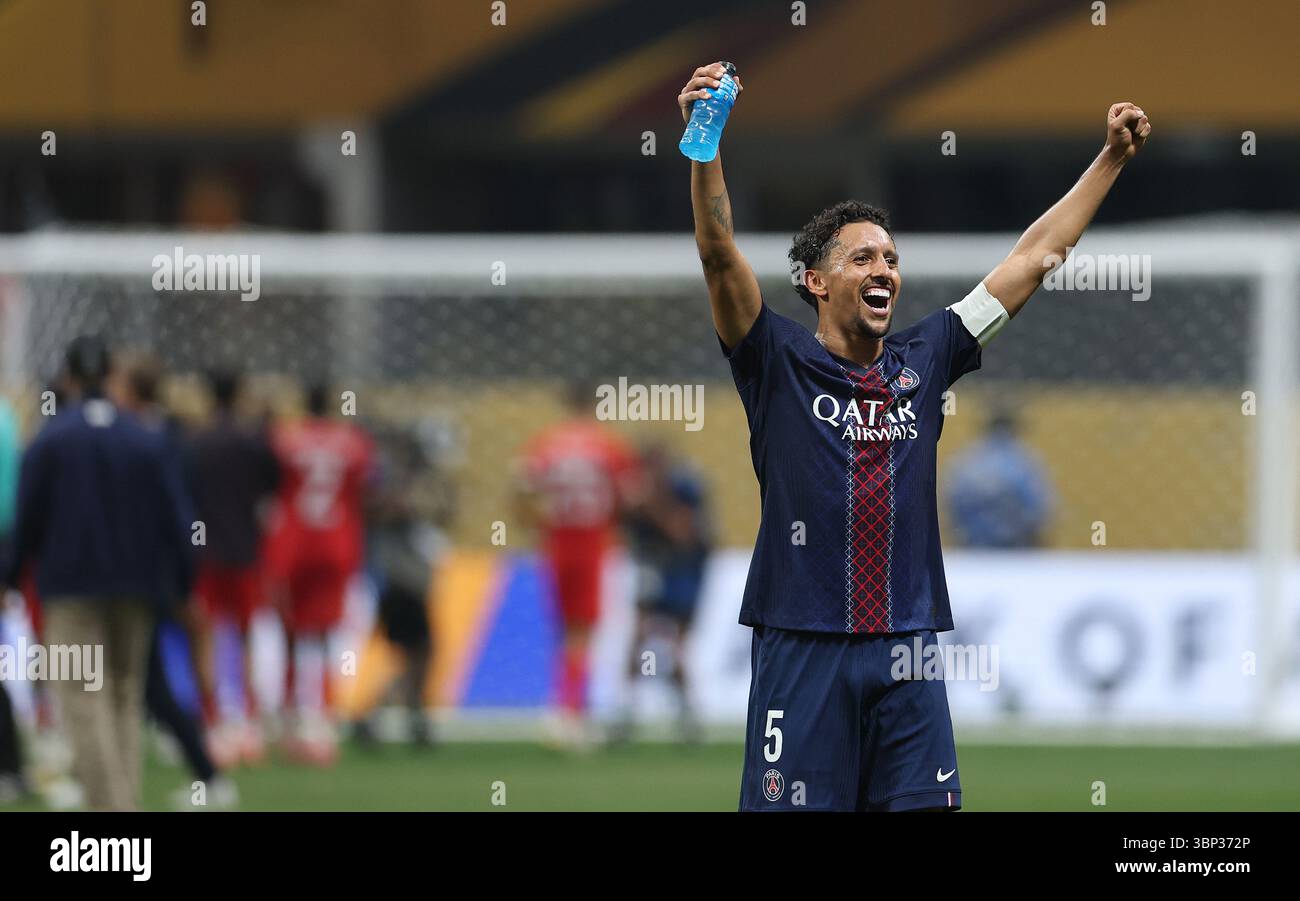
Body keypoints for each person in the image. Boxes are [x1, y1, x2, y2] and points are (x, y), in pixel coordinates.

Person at [678, 61, 1150, 810]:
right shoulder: (775, 359)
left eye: (892, 259)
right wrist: (706, 143)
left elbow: (1032, 258)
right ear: (815, 281)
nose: (885, 270)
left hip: (908, 649)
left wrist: (1111, 160)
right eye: (862, 257)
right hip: (803, 647)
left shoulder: (927, 357)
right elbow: (716, 252)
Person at [3, 337, 195, 810]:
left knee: (85, 701)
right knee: (124, 699)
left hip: (72, 590)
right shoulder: (145, 438)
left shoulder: (51, 438)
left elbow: (28, 521)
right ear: (110, 377)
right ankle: (124, 807)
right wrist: (181, 584)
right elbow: (180, 520)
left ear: (68, 379)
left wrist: (8, 577)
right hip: (138, 588)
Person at [110, 353, 238, 808]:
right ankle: (200, 748)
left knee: (146, 680)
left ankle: (207, 767)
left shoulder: (144, 439)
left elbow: (173, 510)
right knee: (151, 675)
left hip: (146, 575)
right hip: (165, 570)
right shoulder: (172, 435)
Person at [517, 384, 638, 748]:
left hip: (555, 543)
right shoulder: (607, 445)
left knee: (563, 628)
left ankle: (568, 709)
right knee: (582, 631)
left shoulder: (546, 443)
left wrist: (534, 524)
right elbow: (629, 495)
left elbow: (521, 488)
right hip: (591, 543)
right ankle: (568, 714)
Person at [266, 382, 374, 765]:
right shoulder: (353, 442)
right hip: (336, 544)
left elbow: (271, 487)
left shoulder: (284, 440)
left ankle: (290, 717)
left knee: (289, 632)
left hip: (292, 544)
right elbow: (365, 489)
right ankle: (324, 721)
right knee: (327, 636)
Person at [185, 369, 280, 766]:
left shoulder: (195, 444)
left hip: (205, 553)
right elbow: (272, 491)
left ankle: (212, 722)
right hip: (244, 552)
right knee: (244, 637)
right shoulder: (252, 442)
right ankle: (249, 723)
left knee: (204, 637)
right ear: (239, 393)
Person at [614, 445, 711, 744]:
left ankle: (687, 714)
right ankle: (626, 712)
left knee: (675, 646)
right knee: (639, 635)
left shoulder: (682, 489)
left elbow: (681, 533)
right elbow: (622, 524)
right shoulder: (641, 493)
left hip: (685, 571)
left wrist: (650, 503)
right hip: (654, 567)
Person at [945, 407, 1055, 548]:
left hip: (974, 545)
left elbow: (952, 504)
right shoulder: (1025, 461)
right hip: (1017, 546)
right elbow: (1040, 510)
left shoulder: (967, 460)